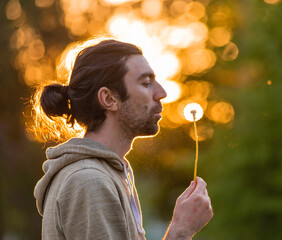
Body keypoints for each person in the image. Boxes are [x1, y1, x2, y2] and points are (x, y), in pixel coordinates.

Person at [33, 39, 213, 240]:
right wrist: (180, 231)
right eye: (146, 83)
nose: (162, 93)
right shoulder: (89, 181)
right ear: (109, 99)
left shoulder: (110, 174)